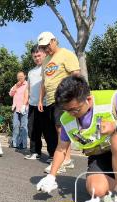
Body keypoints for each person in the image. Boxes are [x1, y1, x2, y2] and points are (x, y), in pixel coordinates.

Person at [37, 31, 79, 173]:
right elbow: (44, 81)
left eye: (47, 45)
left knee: (61, 128)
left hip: (63, 97)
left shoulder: (66, 54)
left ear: (54, 41)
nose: (45, 49)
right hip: (49, 100)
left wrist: (76, 95)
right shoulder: (46, 61)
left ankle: (64, 161)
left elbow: (76, 75)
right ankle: (66, 160)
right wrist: (40, 99)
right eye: (42, 47)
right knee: (56, 130)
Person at [23, 45, 57, 160]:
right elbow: (28, 88)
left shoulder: (48, 67)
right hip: (33, 105)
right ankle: (35, 151)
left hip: (46, 104)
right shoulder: (31, 72)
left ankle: (53, 155)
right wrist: (25, 102)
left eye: (39, 55)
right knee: (32, 129)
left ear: (44, 54)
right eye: (34, 56)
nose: (37, 58)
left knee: (49, 131)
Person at [9, 71, 28, 149]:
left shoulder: (27, 85)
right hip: (16, 108)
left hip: (24, 108)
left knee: (23, 126)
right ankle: (15, 143)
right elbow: (10, 94)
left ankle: (23, 144)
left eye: (21, 76)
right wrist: (16, 86)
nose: (20, 77)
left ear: (25, 76)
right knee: (15, 126)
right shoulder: (16, 85)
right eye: (18, 76)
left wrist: (24, 105)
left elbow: (28, 96)